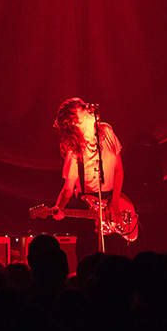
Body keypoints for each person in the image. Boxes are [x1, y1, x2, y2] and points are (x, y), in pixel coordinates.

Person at [50, 97, 126, 257]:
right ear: (76, 122)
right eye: (82, 108)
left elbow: (118, 169)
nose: (88, 108)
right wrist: (59, 207)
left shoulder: (107, 131)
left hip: (113, 200)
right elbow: (68, 188)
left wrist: (115, 201)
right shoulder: (74, 150)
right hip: (87, 205)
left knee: (114, 256)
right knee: (89, 255)